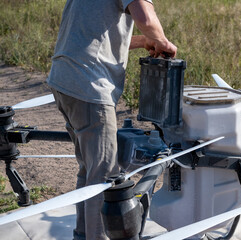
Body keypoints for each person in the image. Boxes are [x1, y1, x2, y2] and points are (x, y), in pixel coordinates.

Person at [46, 0, 177, 239]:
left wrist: (144, 41)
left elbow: (97, 36)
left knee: (90, 169)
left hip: (65, 81)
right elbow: (146, 19)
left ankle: (83, 234)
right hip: (89, 86)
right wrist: (161, 40)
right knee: (104, 176)